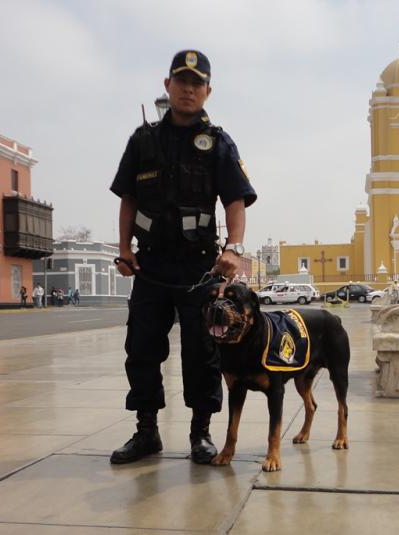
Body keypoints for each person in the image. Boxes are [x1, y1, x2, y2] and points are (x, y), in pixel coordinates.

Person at [109, 50, 257, 465]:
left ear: (208, 90)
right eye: (181, 81)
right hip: (151, 265)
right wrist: (124, 249)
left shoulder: (218, 143)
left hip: (199, 268)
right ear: (167, 85)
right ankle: (146, 432)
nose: (188, 89)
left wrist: (234, 248)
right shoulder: (143, 141)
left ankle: (200, 433)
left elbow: (235, 200)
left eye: (197, 83)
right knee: (142, 348)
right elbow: (128, 198)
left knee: (202, 351)